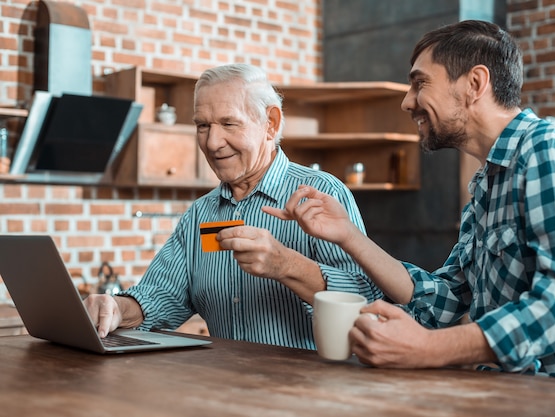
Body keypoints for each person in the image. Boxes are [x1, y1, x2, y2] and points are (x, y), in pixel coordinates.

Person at [263, 20, 555, 384]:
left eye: (420, 83)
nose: (407, 101)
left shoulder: (550, 149)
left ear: (474, 84)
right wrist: (347, 235)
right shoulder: (487, 185)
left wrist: (427, 349)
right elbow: (442, 303)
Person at [84, 63, 382, 350]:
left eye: (229, 123)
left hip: (309, 391)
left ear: (271, 123)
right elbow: (162, 296)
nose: (213, 143)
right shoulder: (201, 214)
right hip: (225, 391)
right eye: (203, 126)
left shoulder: (322, 194)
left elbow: (366, 301)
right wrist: (117, 308)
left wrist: (286, 266)